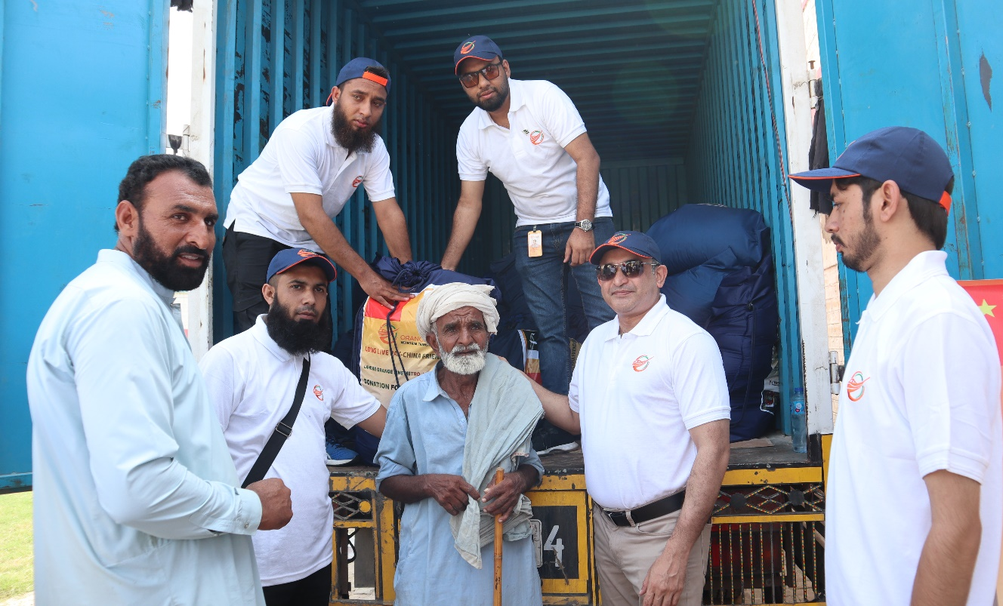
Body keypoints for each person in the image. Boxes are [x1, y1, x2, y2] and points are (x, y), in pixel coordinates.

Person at [26, 155, 293, 606]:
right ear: (127, 218)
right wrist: (250, 507)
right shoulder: (121, 309)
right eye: (179, 217)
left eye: (209, 221)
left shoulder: (131, 302)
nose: (201, 238)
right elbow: (139, 488)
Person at [789, 126, 1003, 605]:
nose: (829, 224)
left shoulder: (935, 320)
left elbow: (957, 527)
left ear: (886, 200)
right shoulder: (890, 313)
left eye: (838, 203)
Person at [528, 231, 731, 606]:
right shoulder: (596, 341)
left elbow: (714, 451)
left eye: (632, 268)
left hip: (663, 533)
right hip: (606, 530)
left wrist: (676, 553)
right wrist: (520, 382)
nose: (618, 279)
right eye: (607, 272)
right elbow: (575, 418)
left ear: (659, 275)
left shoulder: (686, 342)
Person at [440, 35, 615, 427]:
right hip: (532, 230)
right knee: (549, 330)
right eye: (470, 78)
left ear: (505, 68)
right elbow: (469, 203)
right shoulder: (470, 133)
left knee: (605, 319)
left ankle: (613, 413)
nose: (482, 82)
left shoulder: (542, 97)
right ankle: (563, 425)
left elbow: (587, 157)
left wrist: (583, 226)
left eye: (488, 70)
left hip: (587, 218)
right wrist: (445, 270)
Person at [200, 248, 387, 605]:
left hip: (316, 559)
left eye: (319, 290)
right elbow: (197, 459)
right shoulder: (229, 360)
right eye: (297, 286)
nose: (310, 299)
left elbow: (388, 427)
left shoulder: (326, 368)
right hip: (250, 563)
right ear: (269, 294)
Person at [375, 283, 544, 606]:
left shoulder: (510, 391)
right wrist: (428, 484)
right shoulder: (410, 399)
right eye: (452, 329)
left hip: (503, 557)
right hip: (434, 563)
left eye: (475, 327)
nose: (466, 340)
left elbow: (531, 465)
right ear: (433, 341)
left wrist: (517, 482)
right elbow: (387, 479)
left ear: (488, 334)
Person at [223, 56, 413, 332]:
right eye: (357, 97)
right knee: (262, 329)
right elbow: (311, 214)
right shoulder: (300, 131)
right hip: (258, 225)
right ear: (336, 95)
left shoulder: (374, 148)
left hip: (306, 238)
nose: (366, 111)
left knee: (314, 331)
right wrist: (366, 276)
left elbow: (388, 212)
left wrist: (409, 274)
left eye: (377, 103)